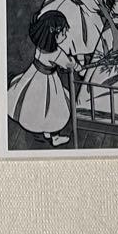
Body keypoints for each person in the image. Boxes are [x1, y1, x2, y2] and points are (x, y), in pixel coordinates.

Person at [6, 10, 78, 147]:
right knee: (53, 107)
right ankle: (54, 137)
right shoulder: (56, 53)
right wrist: (76, 64)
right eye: (63, 33)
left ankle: (46, 130)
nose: (65, 35)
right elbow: (68, 64)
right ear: (54, 35)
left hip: (34, 75)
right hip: (48, 81)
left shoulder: (41, 46)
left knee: (36, 104)